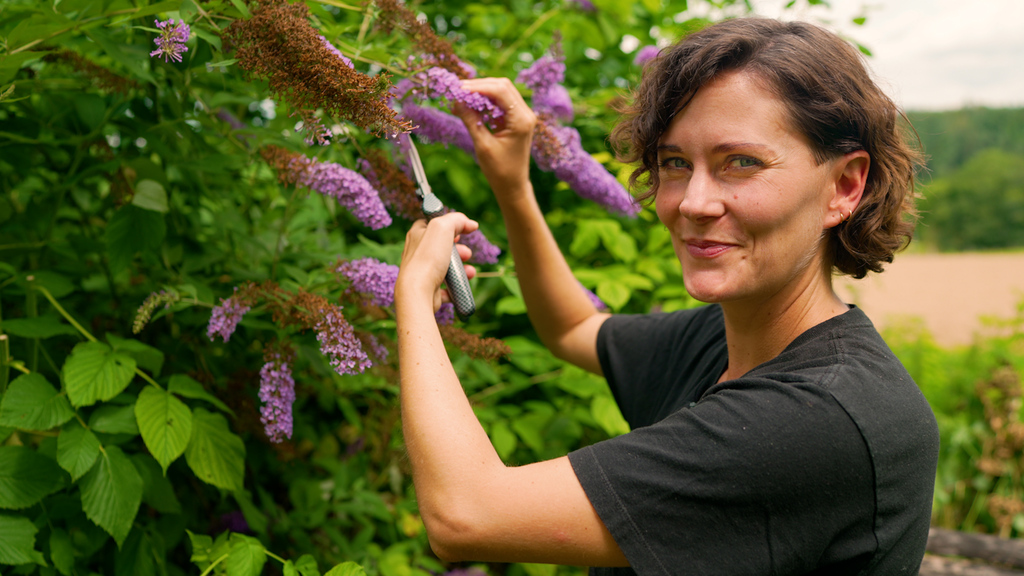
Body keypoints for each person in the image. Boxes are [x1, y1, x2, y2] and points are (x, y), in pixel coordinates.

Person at [394, 17, 940, 576]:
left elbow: (465, 515)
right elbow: (574, 327)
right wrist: (513, 184)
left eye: (742, 162)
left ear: (844, 187)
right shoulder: (730, 338)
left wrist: (414, 294)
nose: (693, 202)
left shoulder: (816, 420)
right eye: (676, 163)